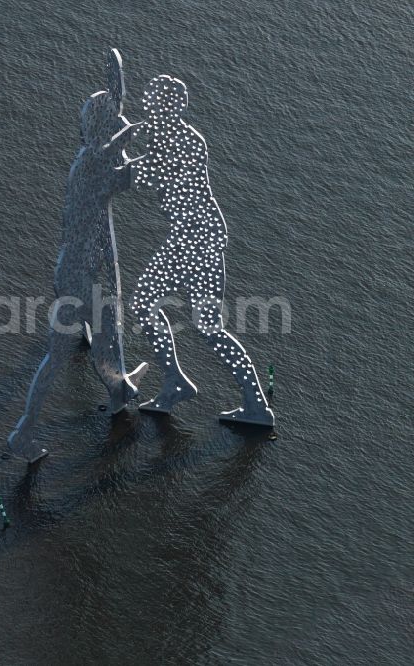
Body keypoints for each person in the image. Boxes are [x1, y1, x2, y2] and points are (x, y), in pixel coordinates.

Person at [8, 50, 147, 461]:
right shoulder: (95, 167)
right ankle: (115, 392)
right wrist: (149, 140)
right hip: (88, 276)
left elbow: (116, 158)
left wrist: (125, 128)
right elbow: (126, 174)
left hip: (70, 270)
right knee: (88, 341)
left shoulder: (85, 162)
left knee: (74, 348)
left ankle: (119, 390)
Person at [130, 75, 273, 425]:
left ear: (165, 106)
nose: (146, 107)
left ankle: (177, 382)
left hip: (194, 239)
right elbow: (147, 159)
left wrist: (112, 149)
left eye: (151, 102)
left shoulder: (178, 141)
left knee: (146, 304)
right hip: (201, 236)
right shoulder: (176, 135)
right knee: (207, 325)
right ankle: (254, 405)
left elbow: (142, 176)